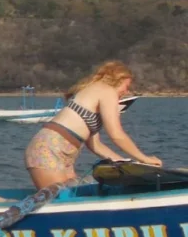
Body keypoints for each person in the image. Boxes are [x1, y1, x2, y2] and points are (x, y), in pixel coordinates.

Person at [24, 61, 161, 188]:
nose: (126, 92)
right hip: (49, 148)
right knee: (58, 200)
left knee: (73, 197)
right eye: (126, 87)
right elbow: (116, 135)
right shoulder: (107, 91)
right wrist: (144, 158)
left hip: (64, 154)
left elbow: (96, 145)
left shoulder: (95, 93)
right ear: (116, 80)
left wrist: (126, 163)